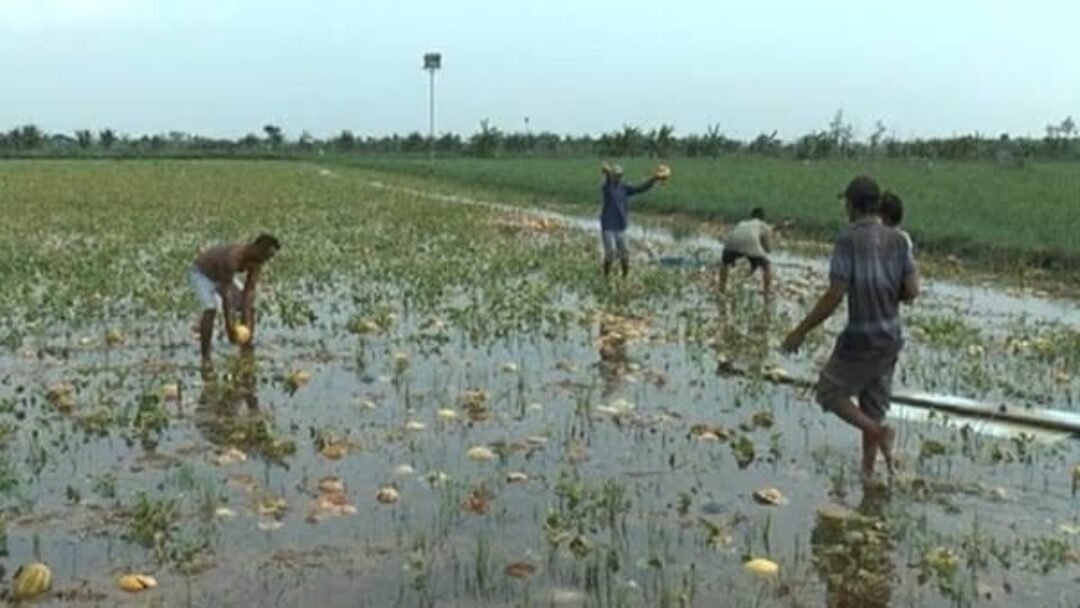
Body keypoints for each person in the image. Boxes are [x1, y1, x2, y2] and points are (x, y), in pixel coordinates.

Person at [781, 176, 919, 480]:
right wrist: (884, 286)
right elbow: (911, 291)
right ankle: (870, 475)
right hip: (890, 338)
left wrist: (800, 330)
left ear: (853, 206)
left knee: (829, 391)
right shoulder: (899, 240)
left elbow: (835, 294)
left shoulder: (848, 239)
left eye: (846, 204)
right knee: (873, 406)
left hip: (862, 338)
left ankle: (878, 434)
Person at [189, 233, 281, 364]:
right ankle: (206, 356)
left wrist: (246, 324)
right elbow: (226, 296)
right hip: (203, 275)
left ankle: (246, 348)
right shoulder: (233, 257)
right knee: (210, 309)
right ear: (257, 248)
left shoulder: (257, 261)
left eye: (270, 257)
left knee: (251, 307)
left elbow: (248, 293)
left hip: (223, 278)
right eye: (266, 255)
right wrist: (229, 328)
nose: (267, 260)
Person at [599, 163, 660, 278]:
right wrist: (607, 172)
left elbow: (640, 188)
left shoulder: (624, 188)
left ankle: (624, 277)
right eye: (615, 175)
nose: (617, 177)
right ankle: (605, 277)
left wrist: (654, 179)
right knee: (610, 252)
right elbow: (607, 178)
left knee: (624, 253)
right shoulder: (607, 187)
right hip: (608, 226)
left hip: (620, 226)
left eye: (619, 175)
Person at [718, 207, 774, 299]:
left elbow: (734, 234)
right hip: (751, 242)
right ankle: (767, 291)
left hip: (731, 243)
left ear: (751, 217)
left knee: (725, 263)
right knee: (767, 266)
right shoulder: (765, 226)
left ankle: (721, 288)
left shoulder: (742, 223)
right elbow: (767, 249)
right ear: (763, 218)